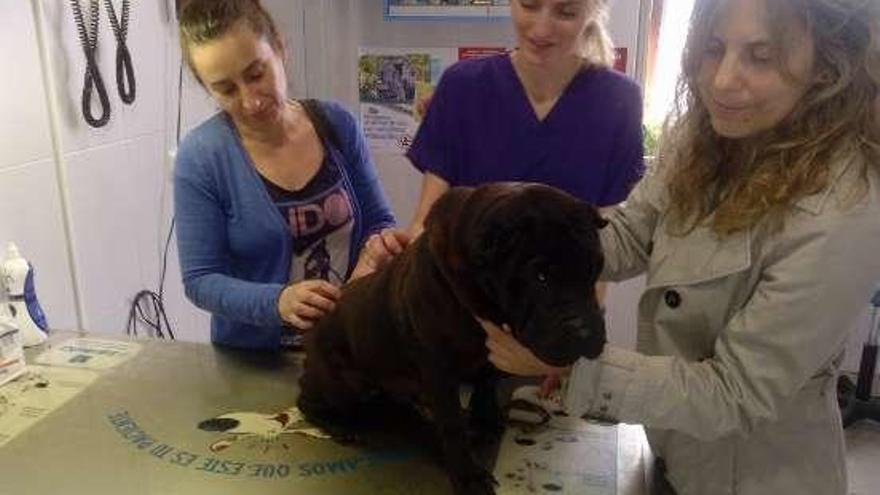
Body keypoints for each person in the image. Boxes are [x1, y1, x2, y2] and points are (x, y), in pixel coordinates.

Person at [482, 0, 880, 493]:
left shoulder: (848, 207)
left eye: (761, 56)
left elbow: (733, 393)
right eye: (714, 49)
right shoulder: (706, 138)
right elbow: (627, 237)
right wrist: (505, 247)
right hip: (678, 452)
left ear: (829, 67)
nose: (722, 81)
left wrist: (570, 366)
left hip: (759, 475)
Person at [174, 0, 396, 350]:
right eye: (226, 90)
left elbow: (378, 220)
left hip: (349, 347)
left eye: (256, 74)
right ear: (207, 88)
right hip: (255, 362)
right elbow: (201, 280)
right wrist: (277, 302)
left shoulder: (337, 125)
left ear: (279, 47)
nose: (251, 102)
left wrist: (378, 248)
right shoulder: (201, 158)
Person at [404, 0, 645, 236]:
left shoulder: (619, 101)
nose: (541, 29)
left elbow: (606, 249)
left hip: (567, 275)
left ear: (593, 12)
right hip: (467, 275)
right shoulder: (462, 87)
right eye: (529, 5)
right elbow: (425, 226)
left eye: (566, 13)